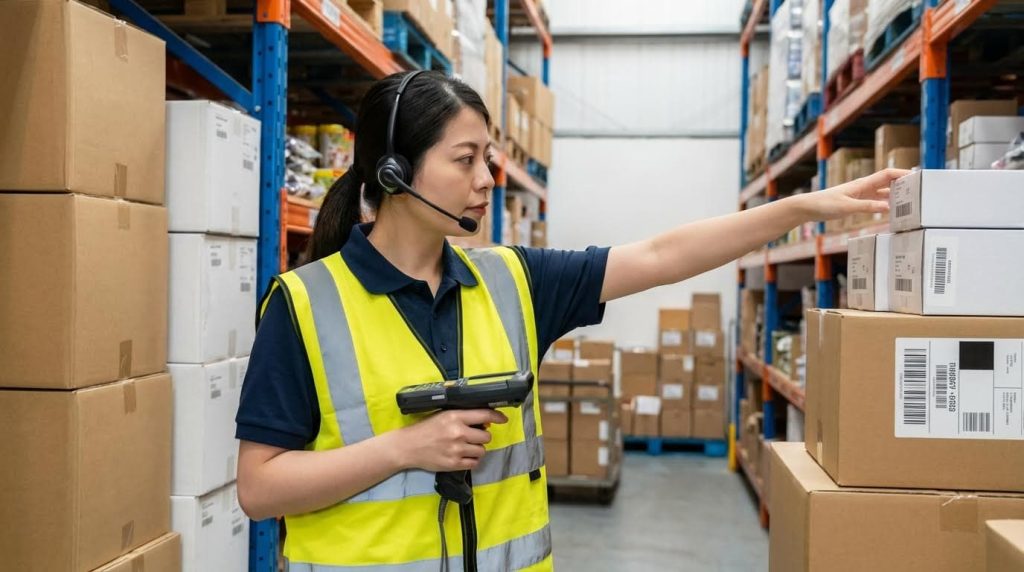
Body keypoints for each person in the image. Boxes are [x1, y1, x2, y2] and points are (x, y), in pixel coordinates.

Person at [235, 70, 907, 571]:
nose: (487, 179)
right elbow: (259, 489)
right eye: (464, 160)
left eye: (488, 159)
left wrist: (797, 210)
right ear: (393, 171)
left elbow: (660, 255)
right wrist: (402, 449)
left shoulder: (510, 281)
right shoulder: (304, 304)